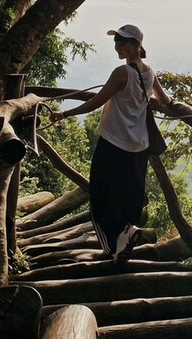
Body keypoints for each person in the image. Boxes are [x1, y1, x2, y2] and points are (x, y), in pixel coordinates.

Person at [51, 24, 175, 264]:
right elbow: (165, 100)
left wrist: (65, 114)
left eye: (122, 42)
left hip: (114, 142)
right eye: (116, 42)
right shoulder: (149, 71)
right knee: (127, 195)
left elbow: (96, 102)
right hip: (139, 146)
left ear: (135, 45)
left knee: (100, 194)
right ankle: (123, 240)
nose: (118, 46)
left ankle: (118, 241)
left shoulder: (122, 72)